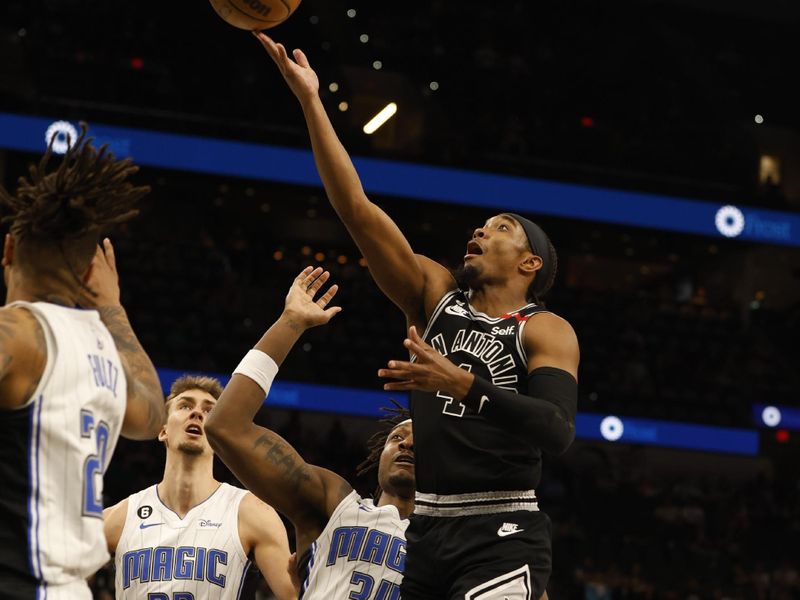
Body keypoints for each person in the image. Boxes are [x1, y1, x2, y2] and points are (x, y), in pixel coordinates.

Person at [255, 33, 579, 600]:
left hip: (502, 528)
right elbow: (355, 208)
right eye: (483, 224)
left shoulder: (543, 328)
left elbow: (556, 430)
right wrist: (310, 101)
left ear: (530, 262)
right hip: (426, 530)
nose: (481, 230)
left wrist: (462, 382)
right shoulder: (435, 295)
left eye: (502, 228)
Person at [0, 126, 166, 599]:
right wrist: (113, 309)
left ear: (9, 250)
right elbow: (151, 414)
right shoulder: (105, 349)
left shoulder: (18, 333)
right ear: (93, 271)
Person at [206, 267, 414, 599]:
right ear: (379, 456)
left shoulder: (458, 539)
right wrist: (291, 322)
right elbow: (225, 426)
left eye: (421, 442)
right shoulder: (334, 503)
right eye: (397, 438)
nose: (407, 446)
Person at [102, 374, 297, 600]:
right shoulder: (117, 519)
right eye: (185, 406)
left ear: (219, 434)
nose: (197, 413)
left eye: (209, 411)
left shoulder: (252, 513)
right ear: (163, 430)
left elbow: (294, 596)